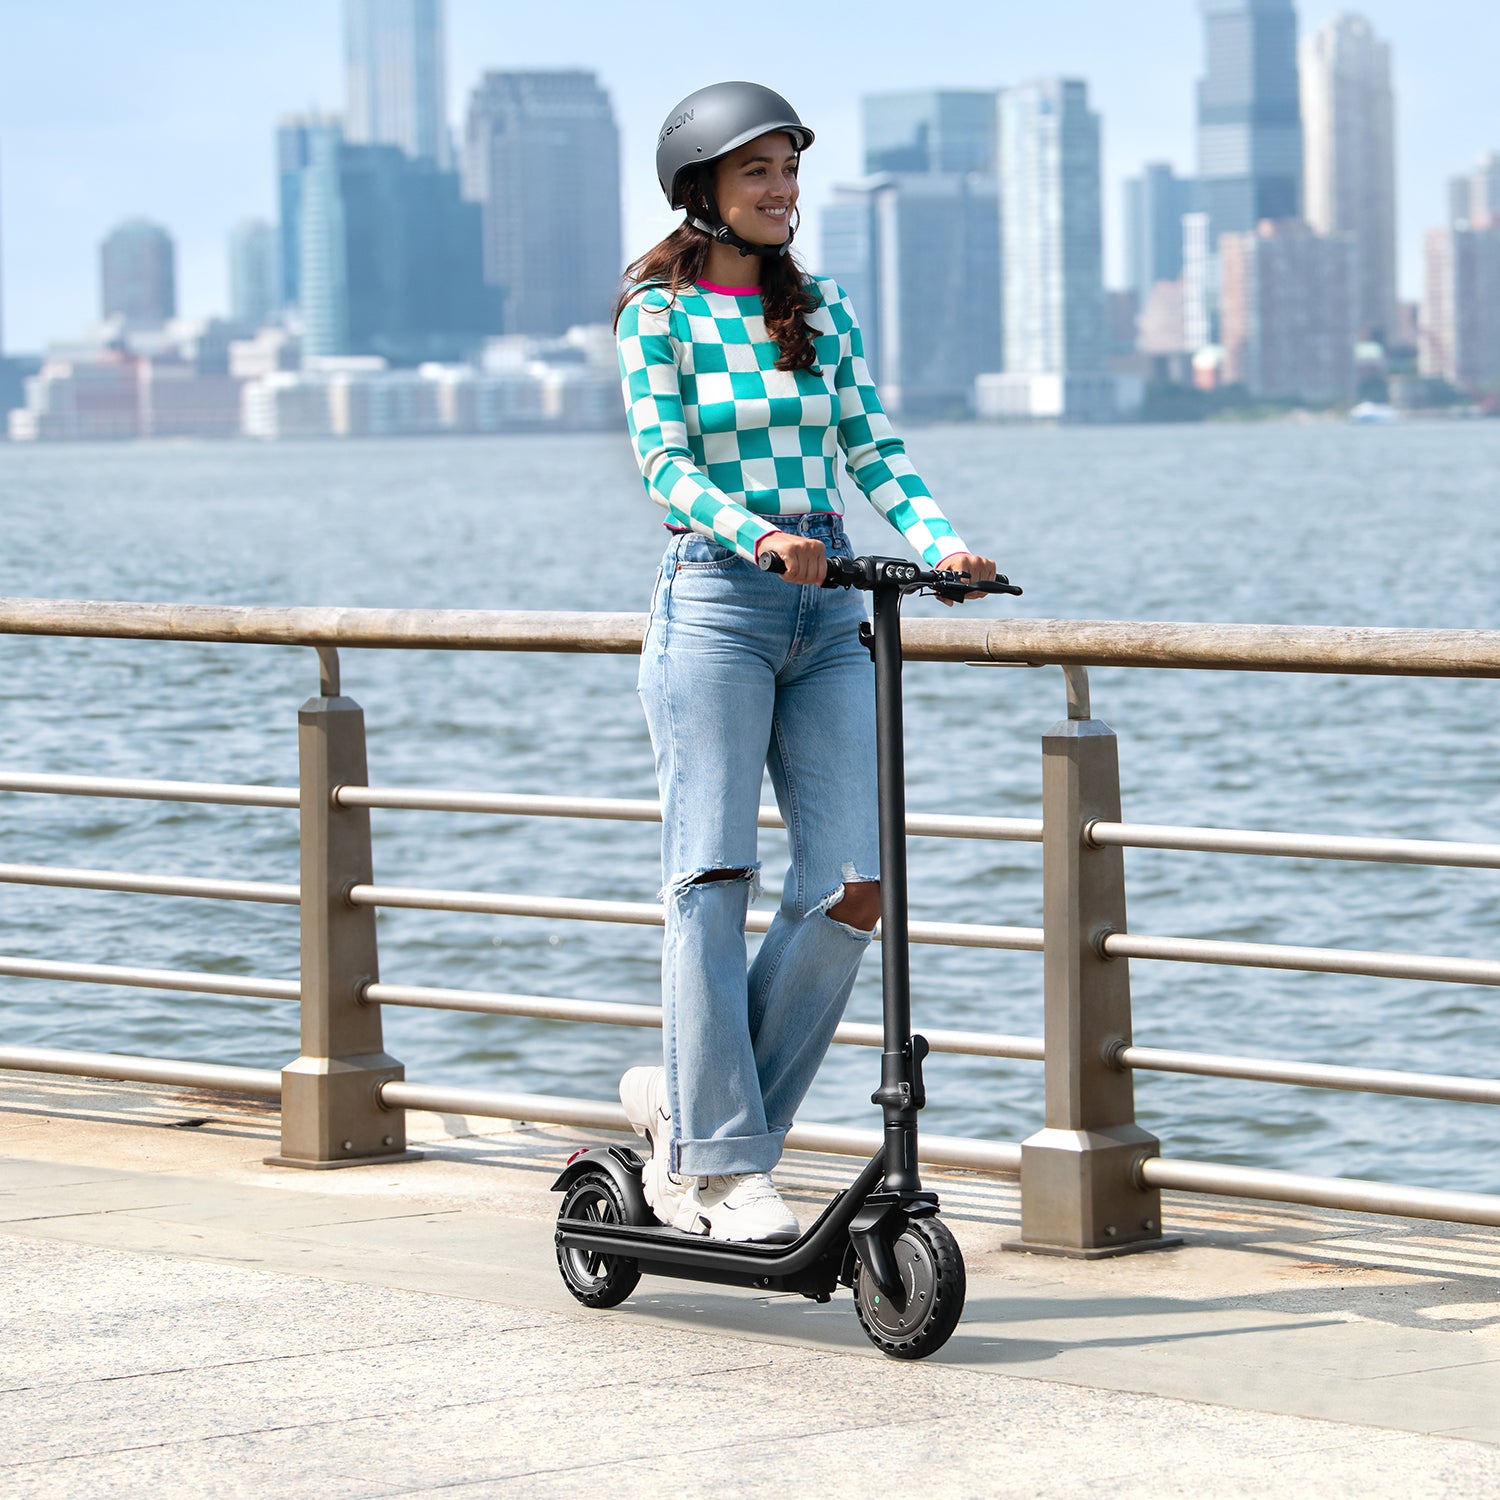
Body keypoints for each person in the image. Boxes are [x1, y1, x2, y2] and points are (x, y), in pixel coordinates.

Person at [614, 81, 997, 1243]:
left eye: (790, 170)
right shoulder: (657, 314)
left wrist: (941, 547)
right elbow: (664, 463)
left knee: (852, 889)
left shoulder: (820, 308)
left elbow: (872, 447)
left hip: (828, 610)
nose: (784, 192)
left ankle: (697, 1131)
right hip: (720, 603)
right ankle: (720, 1163)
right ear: (705, 194)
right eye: (759, 174)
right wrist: (757, 534)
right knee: (711, 882)